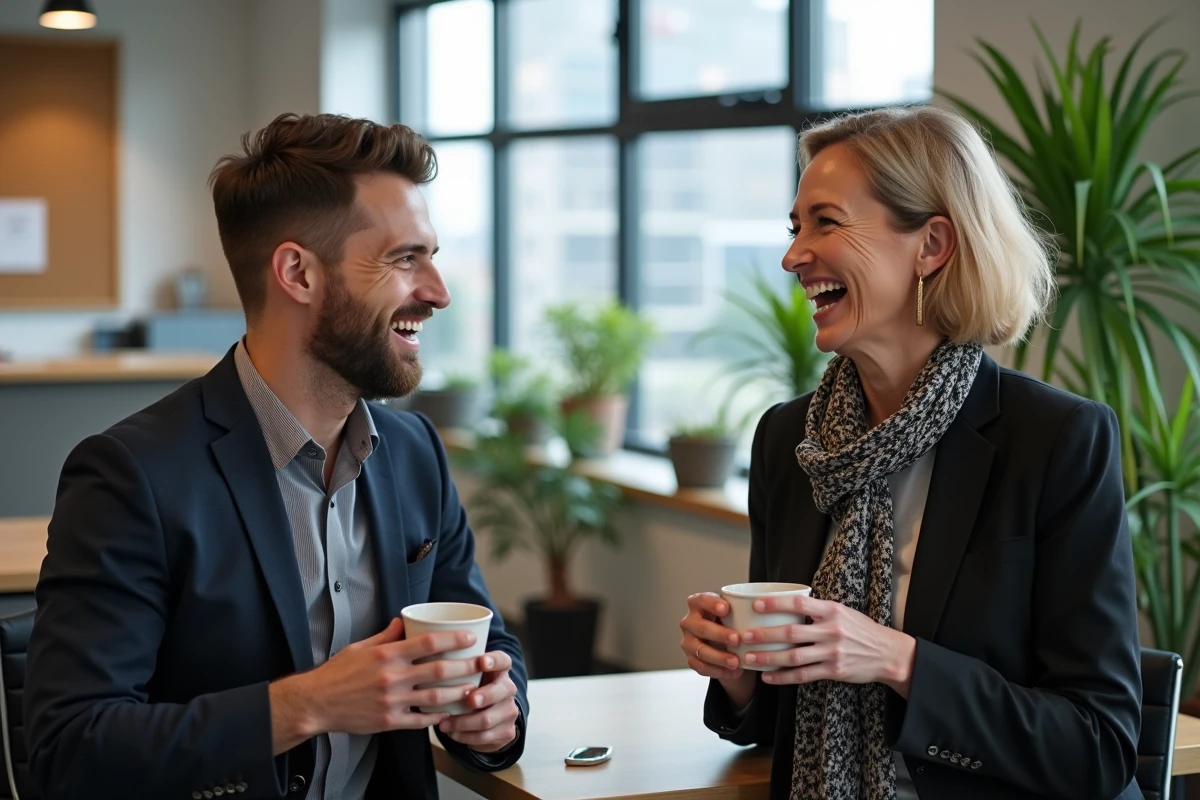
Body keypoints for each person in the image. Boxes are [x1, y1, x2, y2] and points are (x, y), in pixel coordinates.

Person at [25, 113, 529, 800]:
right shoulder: (131, 476)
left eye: (433, 256)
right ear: (298, 273)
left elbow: (491, 643)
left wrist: (496, 713)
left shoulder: (416, 453)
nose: (438, 291)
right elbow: (70, 752)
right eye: (404, 258)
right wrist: (307, 704)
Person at [680, 106, 1142, 800]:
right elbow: (785, 724)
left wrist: (898, 661)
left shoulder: (1056, 440)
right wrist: (739, 673)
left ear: (931, 245)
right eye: (795, 227)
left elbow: (1097, 745)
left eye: (826, 222)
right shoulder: (789, 439)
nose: (793, 256)